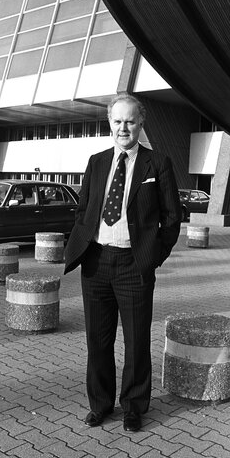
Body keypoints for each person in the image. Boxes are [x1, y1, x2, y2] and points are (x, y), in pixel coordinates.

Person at [64, 93, 181, 432]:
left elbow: (172, 218)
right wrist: (82, 241)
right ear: (109, 123)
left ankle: (133, 406)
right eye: (117, 121)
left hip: (134, 265)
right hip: (96, 262)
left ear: (141, 123)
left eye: (130, 121)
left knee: (136, 339)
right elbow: (83, 209)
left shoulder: (157, 163)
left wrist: (153, 256)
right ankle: (100, 405)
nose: (123, 127)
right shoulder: (97, 162)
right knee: (97, 340)